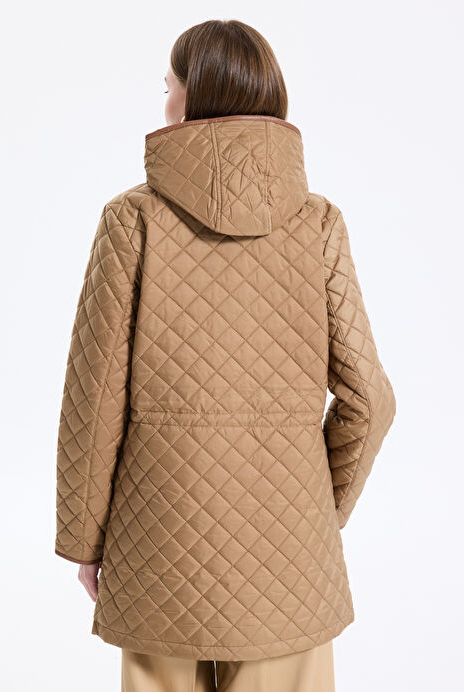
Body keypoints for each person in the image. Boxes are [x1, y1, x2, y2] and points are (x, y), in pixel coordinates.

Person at [54, 18, 396, 692]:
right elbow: (370, 399)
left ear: (195, 95)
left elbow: (94, 399)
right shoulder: (319, 222)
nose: (165, 103)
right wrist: (315, 510)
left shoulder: (132, 219)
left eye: (168, 87)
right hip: (289, 558)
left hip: (156, 542)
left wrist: (85, 540)